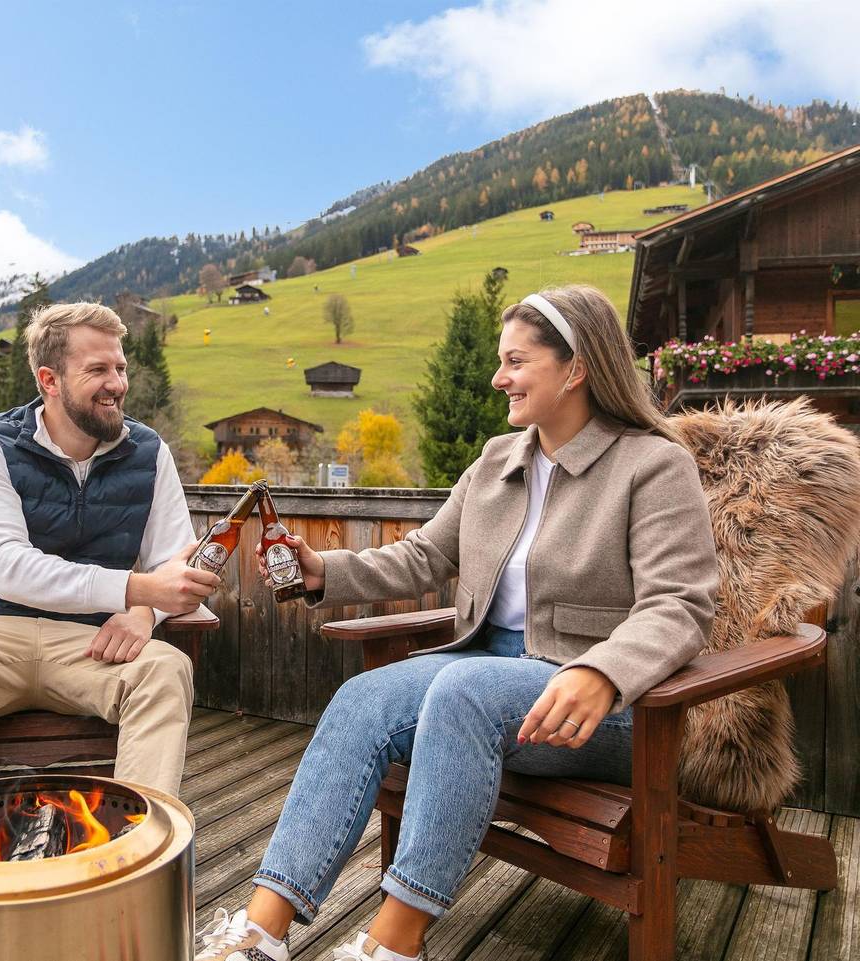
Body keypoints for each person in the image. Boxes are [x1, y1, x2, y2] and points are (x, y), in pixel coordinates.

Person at [197, 285, 719, 961]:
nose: (498, 376)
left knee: (462, 692)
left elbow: (680, 604)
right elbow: (426, 554)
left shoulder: (652, 465)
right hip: (486, 669)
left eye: (515, 360)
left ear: (577, 367)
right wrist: (325, 569)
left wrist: (603, 670)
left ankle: (391, 947)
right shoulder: (498, 461)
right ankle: (258, 933)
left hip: (606, 701)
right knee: (364, 698)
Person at [0, 302, 219, 803]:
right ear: (50, 380)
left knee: (165, 671)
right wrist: (137, 589)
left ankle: (131, 857)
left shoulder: (149, 452)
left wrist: (144, 613)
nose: (117, 384)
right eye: (98, 370)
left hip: (92, 646)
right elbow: (10, 568)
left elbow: (177, 563)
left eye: (121, 368)